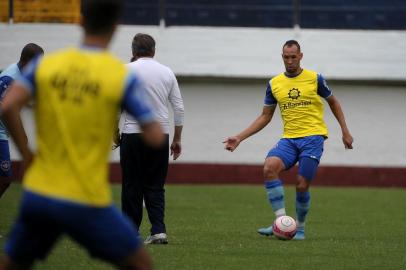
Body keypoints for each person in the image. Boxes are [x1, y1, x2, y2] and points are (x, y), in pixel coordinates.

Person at [0, 1, 164, 269]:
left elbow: (7, 106)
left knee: (12, 264)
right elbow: (155, 135)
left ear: (80, 21)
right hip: (86, 198)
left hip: (41, 193)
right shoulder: (118, 75)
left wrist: (27, 153)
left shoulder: (46, 66)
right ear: (115, 27)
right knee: (141, 264)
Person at [223, 40, 353, 240]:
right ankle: (281, 223)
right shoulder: (274, 83)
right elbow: (265, 116)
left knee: (301, 184)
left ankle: (299, 228)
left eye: (293, 57)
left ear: (301, 56)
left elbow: (334, 102)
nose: (290, 61)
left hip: (313, 137)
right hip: (289, 139)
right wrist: (240, 137)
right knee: (269, 168)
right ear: (282, 57)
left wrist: (345, 131)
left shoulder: (315, 78)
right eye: (286, 57)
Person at [119, 33, 184, 245]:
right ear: (154, 51)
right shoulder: (167, 72)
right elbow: (179, 108)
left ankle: (130, 232)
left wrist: (113, 130)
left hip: (132, 134)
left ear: (133, 51)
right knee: (156, 185)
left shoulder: (125, 70)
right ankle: (158, 230)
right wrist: (177, 139)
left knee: (131, 185)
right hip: (160, 135)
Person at [0, 43, 44, 200]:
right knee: (4, 178)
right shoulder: (10, 78)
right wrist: (22, 135)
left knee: (4, 178)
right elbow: (5, 109)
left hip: (2, 133)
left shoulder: (20, 74)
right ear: (26, 61)